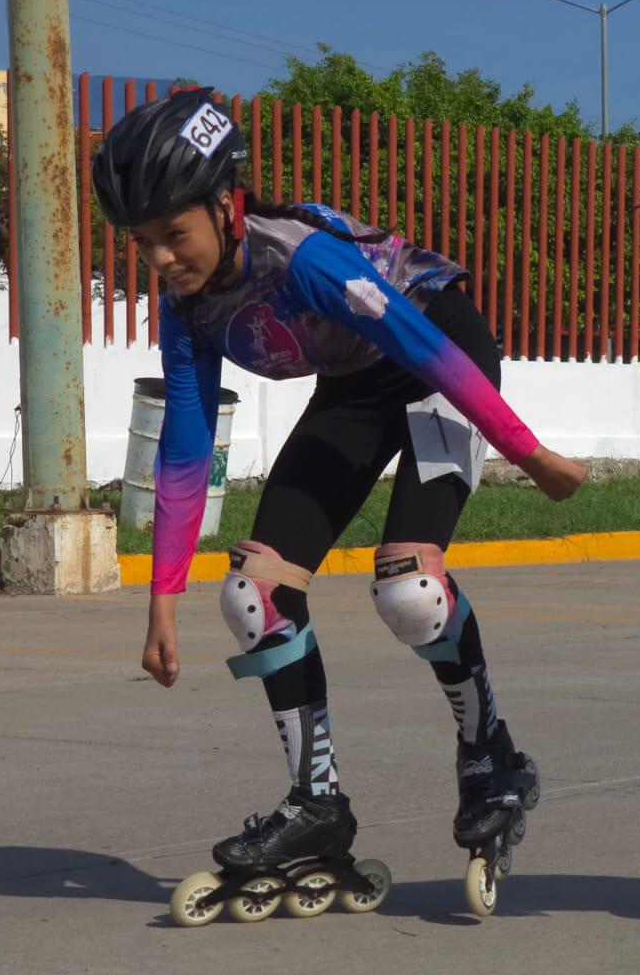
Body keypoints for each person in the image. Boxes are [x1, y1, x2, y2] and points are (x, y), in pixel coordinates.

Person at [92, 87, 587, 921]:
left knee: (408, 587)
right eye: (143, 243)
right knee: (253, 592)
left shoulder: (307, 260)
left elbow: (424, 349)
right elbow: (184, 449)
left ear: (227, 204)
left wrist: (526, 451)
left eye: (174, 235)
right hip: (357, 387)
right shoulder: (187, 308)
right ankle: (315, 801)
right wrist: (160, 604)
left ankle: (489, 752)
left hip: (437, 352)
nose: (161, 260)